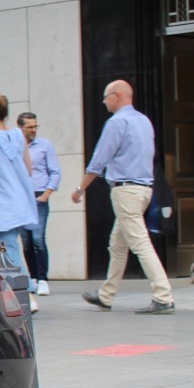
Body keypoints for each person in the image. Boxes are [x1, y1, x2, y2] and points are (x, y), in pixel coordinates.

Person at [72, 79, 174, 314]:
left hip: (125, 190)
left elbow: (99, 160)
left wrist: (80, 189)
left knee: (140, 243)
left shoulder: (117, 122)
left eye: (106, 96)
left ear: (117, 96)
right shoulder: (144, 121)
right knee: (117, 245)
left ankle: (163, 296)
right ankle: (106, 296)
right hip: (144, 190)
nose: (104, 101)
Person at [0, 94, 39, 311]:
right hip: (19, 198)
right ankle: (12, 293)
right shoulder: (17, 136)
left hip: (0, 200)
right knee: (8, 246)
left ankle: (26, 294)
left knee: (8, 247)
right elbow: (29, 169)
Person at [17, 112, 61, 296]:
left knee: (38, 239)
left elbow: (55, 172)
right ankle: (33, 277)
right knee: (26, 241)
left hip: (39, 196)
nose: (33, 130)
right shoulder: (15, 146)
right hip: (21, 198)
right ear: (21, 128)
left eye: (35, 126)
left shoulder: (44, 146)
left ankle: (43, 279)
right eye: (30, 127)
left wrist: (46, 194)